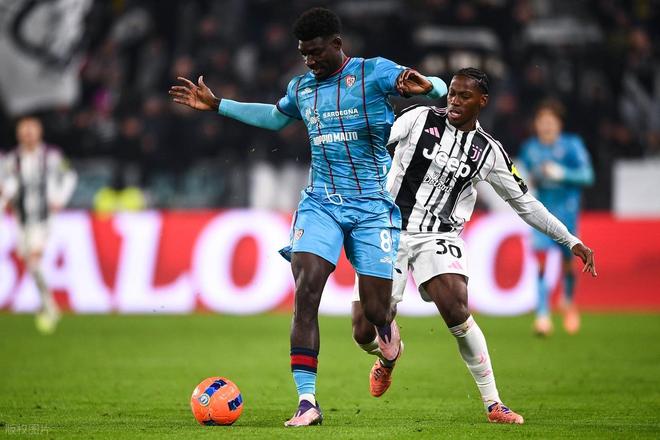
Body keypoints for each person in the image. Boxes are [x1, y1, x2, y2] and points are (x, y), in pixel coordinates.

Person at [169, 7, 448, 427]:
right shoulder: (302, 88)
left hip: (372, 207)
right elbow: (274, 117)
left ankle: (388, 344)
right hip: (321, 204)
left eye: (316, 52)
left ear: (337, 44)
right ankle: (307, 401)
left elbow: (437, 90)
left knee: (375, 312)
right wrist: (219, 105)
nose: (310, 60)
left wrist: (429, 85)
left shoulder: (374, 72)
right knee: (307, 289)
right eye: (304, 54)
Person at [350, 68, 597, 424]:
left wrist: (570, 240)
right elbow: (374, 139)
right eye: (452, 93)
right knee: (363, 331)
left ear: (482, 101)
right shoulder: (419, 118)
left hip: (439, 236)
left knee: (456, 307)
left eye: (464, 96)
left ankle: (494, 404)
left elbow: (525, 203)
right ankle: (389, 355)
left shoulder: (489, 151)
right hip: (388, 230)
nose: (454, 101)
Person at [519, 100, 594, 336]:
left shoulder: (572, 145)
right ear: (536, 124)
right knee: (541, 263)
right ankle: (542, 316)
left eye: (550, 122)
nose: (546, 126)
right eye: (542, 122)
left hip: (567, 214)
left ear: (559, 124)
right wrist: (534, 177)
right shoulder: (530, 148)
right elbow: (526, 177)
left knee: (569, 264)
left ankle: (568, 302)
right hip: (542, 214)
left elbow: (588, 176)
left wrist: (563, 173)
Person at [0, 116, 77, 334]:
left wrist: (60, 198)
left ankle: (50, 307)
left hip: (44, 219)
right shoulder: (11, 159)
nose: (28, 134)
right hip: (22, 220)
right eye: (24, 130)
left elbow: (70, 176)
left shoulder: (52, 156)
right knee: (30, 263)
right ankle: (48, 304)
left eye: (31, 130)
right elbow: (7, 186)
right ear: (18, 134)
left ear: (39, 132)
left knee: (34, 260)